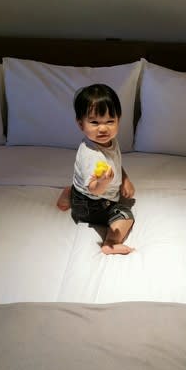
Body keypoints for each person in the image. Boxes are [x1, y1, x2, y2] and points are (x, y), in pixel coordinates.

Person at [57, 83, 135, 255]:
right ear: (81, 124)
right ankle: (110, 243)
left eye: (110, 121)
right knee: (125, 214)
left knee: (81, 191)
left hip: (81, 195)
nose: (103, 128)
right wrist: (103, 182)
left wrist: (125, 179)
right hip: (92, 205)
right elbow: (95, 190)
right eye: (94, 122)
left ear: (118, 120)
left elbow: (115, 162)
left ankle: (69, 194)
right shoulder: (91, 155)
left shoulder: (109, 141)